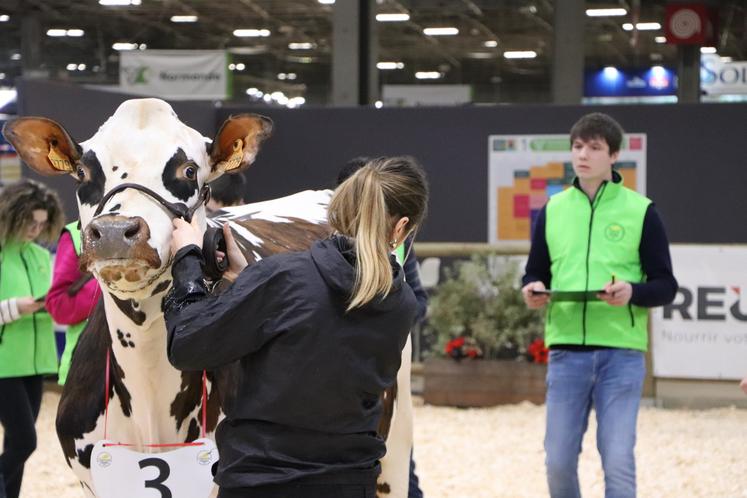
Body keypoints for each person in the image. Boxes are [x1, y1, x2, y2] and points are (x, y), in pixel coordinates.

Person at [164, 156, 429, 498]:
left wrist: (187, 258)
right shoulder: (401, 302)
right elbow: (321, 331)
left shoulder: (283, 277)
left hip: (260, 485)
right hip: (348, 485)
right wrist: (249, 282)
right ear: (401, 228)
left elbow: (187, 342)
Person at [521, 112, 677, 498]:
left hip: (621, 355)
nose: (583, 155)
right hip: (565, 352)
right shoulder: (552, 210)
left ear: (615, 156)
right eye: (577, 146)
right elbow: (534, 272)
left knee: (618, 458)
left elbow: (666, 286)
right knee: (557, 460)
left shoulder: (642, 211)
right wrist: (533, 289)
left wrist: (632, 292)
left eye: (594, 147)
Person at [338, 156, 426, 498]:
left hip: (384, 368)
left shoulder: (400, 242)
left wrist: (390, 324)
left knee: (397, 459)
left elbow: (417, 298)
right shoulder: (316, 244)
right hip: (337, 376)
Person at [0, 179, 64, 498]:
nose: (35, 230)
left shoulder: (41, 256)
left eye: (42, 224)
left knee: (17, 445)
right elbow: (13, 307)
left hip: (37, 363)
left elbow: (52, 301)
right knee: (25, 441)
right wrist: (15, 308)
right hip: (4, 364)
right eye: (30, 222)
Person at [45, 220, 99, 385]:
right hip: (87, 369)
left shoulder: (161, 224)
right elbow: (59, 306)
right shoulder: (75, 233)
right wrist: (107, 284)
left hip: (152, 373)